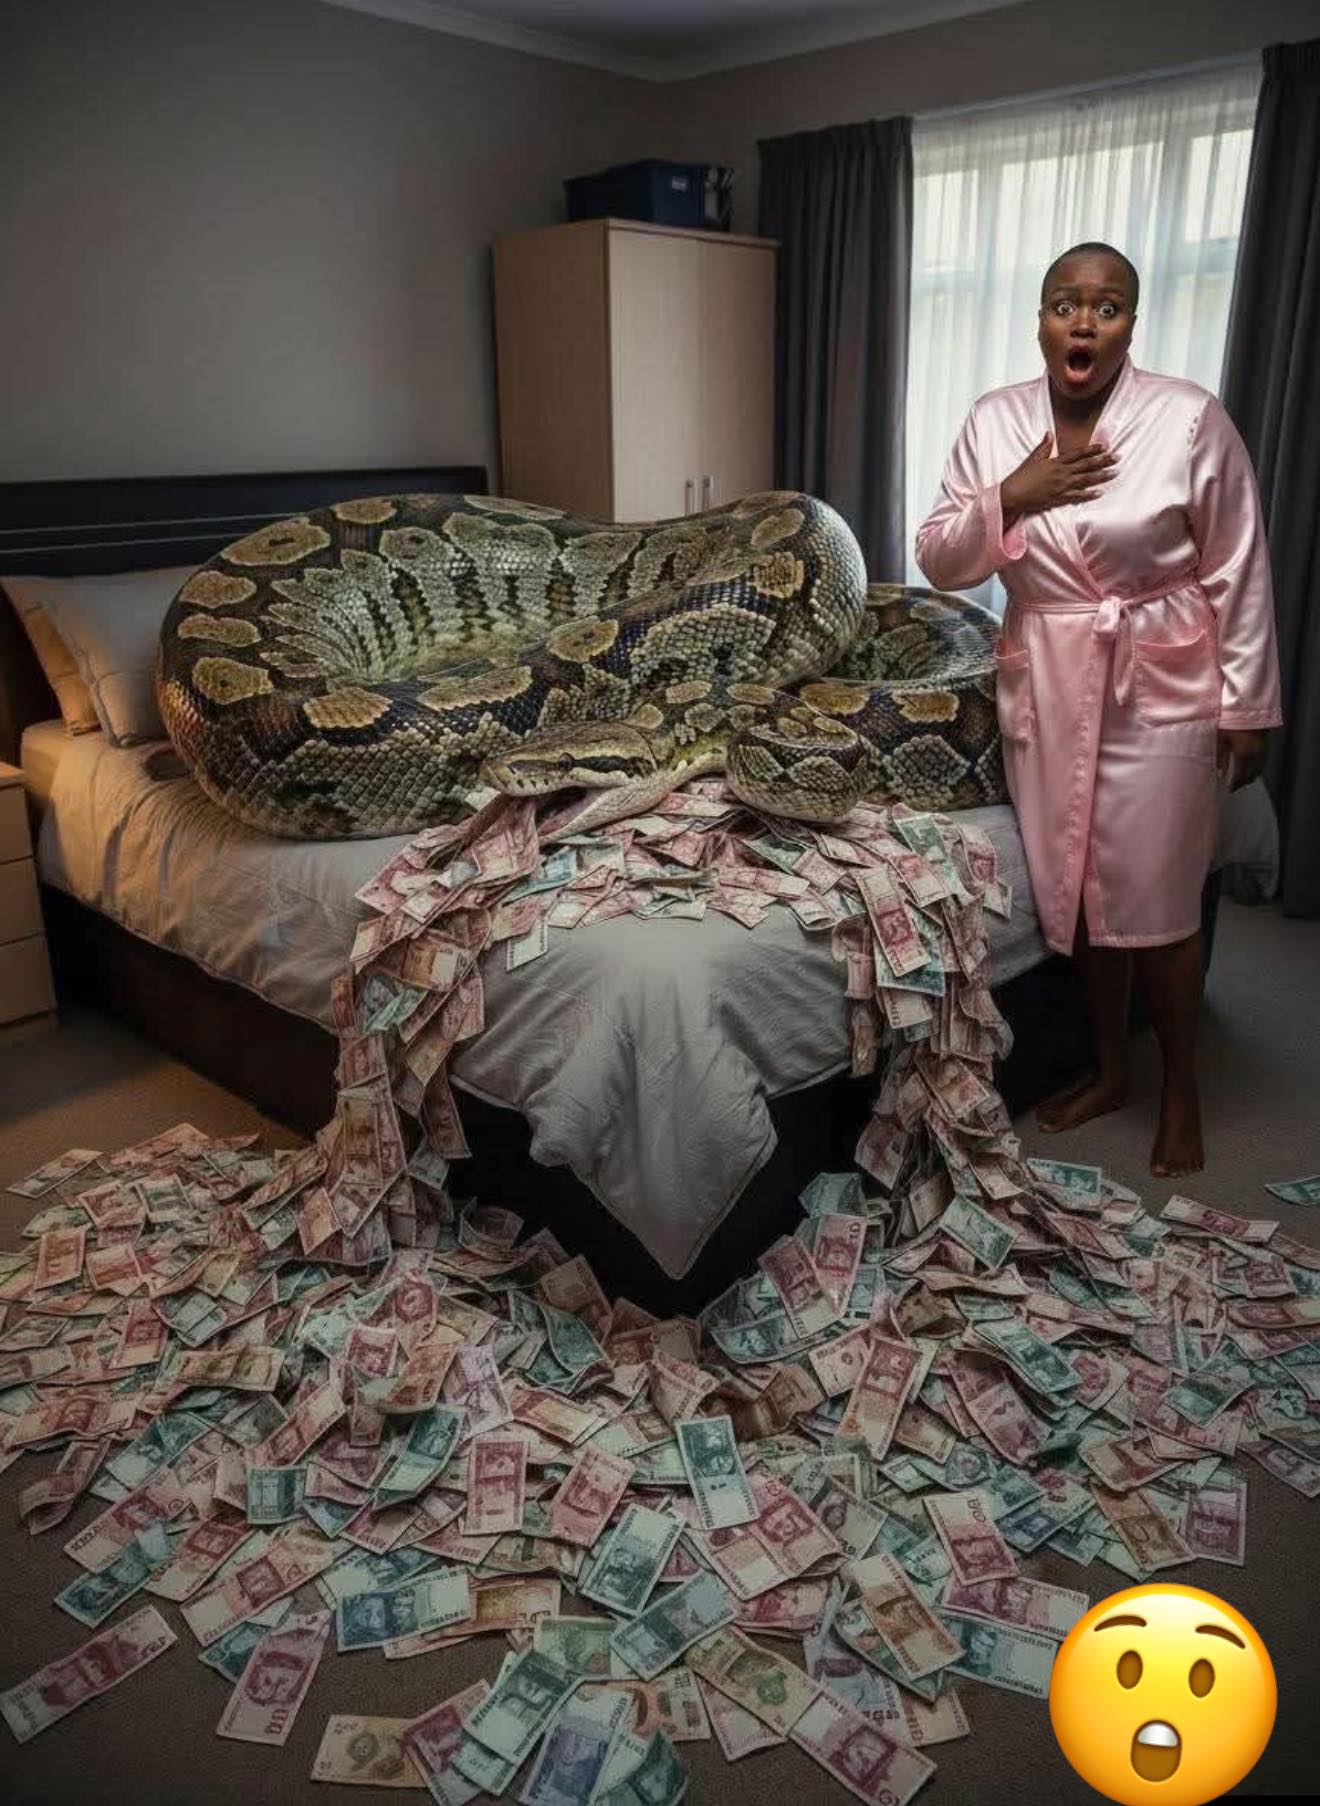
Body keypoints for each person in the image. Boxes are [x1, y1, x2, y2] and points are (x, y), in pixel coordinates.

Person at [915, 242, 1282, 1175]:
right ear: (1041, 321)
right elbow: (940, 557)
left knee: (1158, 901)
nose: (1084, 321)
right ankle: (1112, 1071)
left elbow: (1236, 565)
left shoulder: (1188, 418)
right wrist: (1014, 494)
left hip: (1160, 680)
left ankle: (1182, 1089)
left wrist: (1248, 703)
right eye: (1065, 304)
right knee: (1079, 897)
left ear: (1130, 326)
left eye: (1107, 307)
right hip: (1045, 674)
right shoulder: (995, 421)